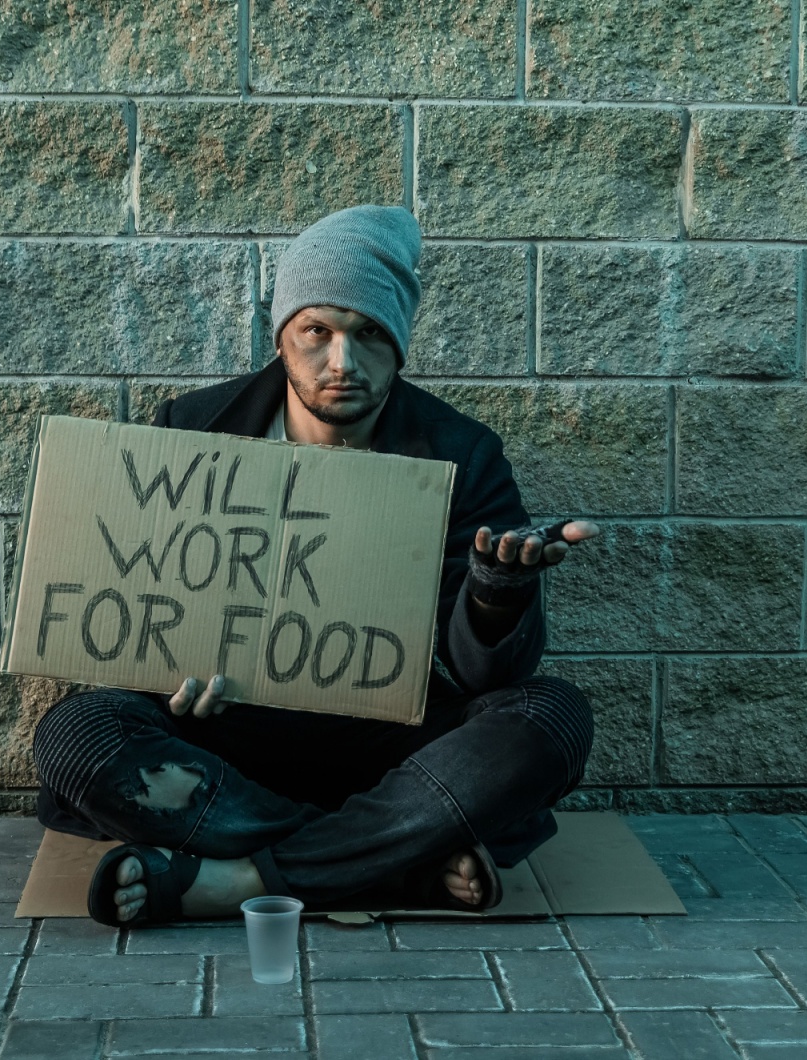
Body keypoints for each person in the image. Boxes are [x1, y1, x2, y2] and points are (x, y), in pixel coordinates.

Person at [31, 203, 599, 926]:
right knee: (75, 733)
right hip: (225, 743)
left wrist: (498, 589)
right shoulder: (192, 429)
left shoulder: (461, 452)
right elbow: (145, 617)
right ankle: (393, 860)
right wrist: (171, 673)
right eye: (317, 331)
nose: (342, 362)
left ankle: (239, 879)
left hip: (387, 746)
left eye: (369, 334)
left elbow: (489, 675)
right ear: (282, 337)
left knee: (551, 717)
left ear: (399, 342)